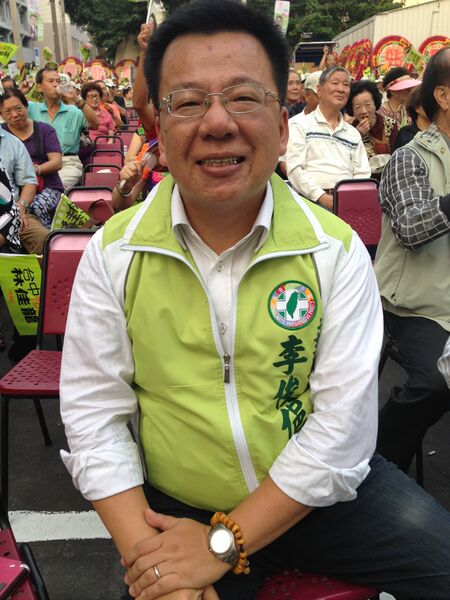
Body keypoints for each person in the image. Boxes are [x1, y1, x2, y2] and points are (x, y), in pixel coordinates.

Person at [60, 3, 450, 600]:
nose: (218, 123)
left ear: (283, 126)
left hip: (324, 498)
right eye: (188, 102)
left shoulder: (334, 250)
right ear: (158, 127)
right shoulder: (114, 252)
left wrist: (223, 543)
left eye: (244, 98)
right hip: (180, 505)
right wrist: (158, 568)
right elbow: (95, 417)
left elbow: (341, 430)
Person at [375, 46, 450, 474]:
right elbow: (410, 228)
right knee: (435, 382)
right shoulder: (410, 156)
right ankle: (377, 465)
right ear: (443, 96)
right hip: (414, 306)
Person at [285, 66, 370, 210]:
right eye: (335, 83)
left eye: (346, 85)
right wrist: (321, 197)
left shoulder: (352, 133)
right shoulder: (300, 125)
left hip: (346, 204)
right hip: (309, 202)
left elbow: (362, 173)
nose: (341, 89)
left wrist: (350, 199)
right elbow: (295, 169)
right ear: (319, 90)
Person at [0, 88, 63, 236]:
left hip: (46, 186)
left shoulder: (44, 130)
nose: (14, 114)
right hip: (15, 190)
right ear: (1, 114)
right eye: (8, 111)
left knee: (34, 207)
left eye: (18, 108)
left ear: (26, 106)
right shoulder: (3, 134)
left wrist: (33, 169)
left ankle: (49, 238)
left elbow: (56, 162)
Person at [27, 66, 98, 190]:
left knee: (54, 189)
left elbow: (95, 123)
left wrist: (76, 99)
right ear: (39, 87)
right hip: (38, 162)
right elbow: (10, 109)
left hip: (67, 163)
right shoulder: (32, 108)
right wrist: (22, 91)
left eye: (58, 81)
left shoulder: (73, 111)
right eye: (51, 81)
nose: (56, 84)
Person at [393, 85, 431, 150]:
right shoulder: (406, 135)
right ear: (417, 108)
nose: (434, 106)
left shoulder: (442, 131)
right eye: (429, 102)